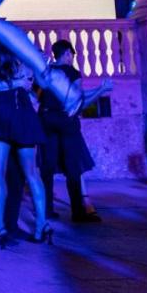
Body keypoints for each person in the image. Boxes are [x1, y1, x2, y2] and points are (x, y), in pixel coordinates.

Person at [0, 36, 51, 248]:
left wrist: (41, 68)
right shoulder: (24, 57)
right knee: (32, 173)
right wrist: (36, 70)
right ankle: (41, 224)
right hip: (22, 112)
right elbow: (43, 83)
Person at [39, 40, 113, 223]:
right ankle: (78, 212)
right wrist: (102, 90)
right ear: (67, 54)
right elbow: (79, 103)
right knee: (73, 166)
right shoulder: (72, 72)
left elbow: (39, 95)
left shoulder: (47, 72)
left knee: (47, 166)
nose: (72, 58)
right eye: (71, 54)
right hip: (66, 120)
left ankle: (46, 209)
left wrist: (97, 88)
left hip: (46, 119)